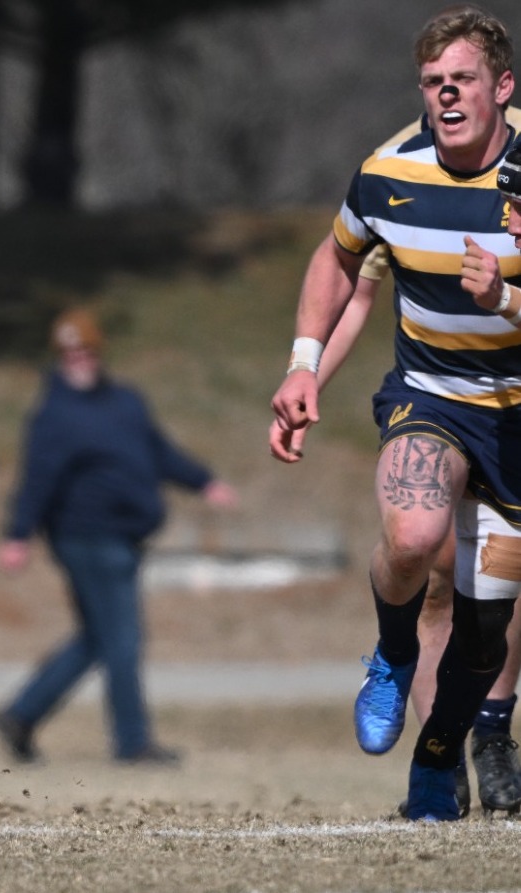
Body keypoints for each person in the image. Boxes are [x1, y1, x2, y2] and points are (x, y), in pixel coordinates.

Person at [270, 5, 521, 821]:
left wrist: (506, 297)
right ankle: (390, 650)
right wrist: (303, 368)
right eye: (431, 83)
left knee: (488, 630)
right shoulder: (387, 170)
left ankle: (439, 758)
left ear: (502, 88)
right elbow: (337, 259)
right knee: (414, 535)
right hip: (432, 394)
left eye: (462, 81)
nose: (445, 95)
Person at [0, 309, 237, 765]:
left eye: (84, 351)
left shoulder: (126, 401)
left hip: (126, 536)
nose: (77, 361)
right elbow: (37, 479)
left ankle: (21, 714)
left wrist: (204, 481)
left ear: (98, 352)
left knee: (97, 639)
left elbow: (159, 451)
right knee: (122, 640)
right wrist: (18, 535)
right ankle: (133, 743)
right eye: (68, 354)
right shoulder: (54, 413)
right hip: (85, 536)